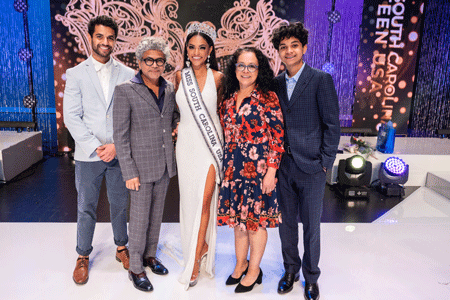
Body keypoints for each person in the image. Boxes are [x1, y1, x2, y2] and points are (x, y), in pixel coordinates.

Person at [63, 15, 135, 285]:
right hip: (88, 156)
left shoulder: (128, 75)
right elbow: (71, 117)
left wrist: (116, 145)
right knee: (86, 207)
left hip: (118, 153)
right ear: (91, 37)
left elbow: (130, 115)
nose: (105, 42)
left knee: (119, 204)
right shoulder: (76, 74)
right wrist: (96, 147)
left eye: (110, 38)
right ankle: (82, 255)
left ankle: (121, 247)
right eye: (100, 37)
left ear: (115, 41)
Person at [271, 22, 340, 300]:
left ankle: (311, 277)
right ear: (279, 51)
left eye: (294, 46)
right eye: (283, 47)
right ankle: (291, 271)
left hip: (312, 166)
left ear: (304, 49)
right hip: (283, 166)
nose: (289, 51)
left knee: (312, 225)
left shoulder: (320, 79)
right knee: (286, 223)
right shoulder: (275, 83)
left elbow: (332, 125)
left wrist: (325, 162)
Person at [113, 37, 178, 292]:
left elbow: (171, 117)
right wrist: (128, 170)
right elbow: (120, 134)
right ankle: (136, 267)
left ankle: (150, 256)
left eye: (159, 60)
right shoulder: (125, 90)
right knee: (139, 219)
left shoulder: (170, 88)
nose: (154, 65)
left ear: (165, 63)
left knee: (156, 216)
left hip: (163, 165)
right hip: (138, 169)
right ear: (140, 62)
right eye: (149, 60)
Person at [217, 47, 284, 293]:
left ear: (260, 69)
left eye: (252, 66)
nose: (246, 71)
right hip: (233, 171)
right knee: (239, 223)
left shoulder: (268, 97)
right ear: (234, 68)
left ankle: (254, 270)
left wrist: (271, 172)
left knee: (256, 223)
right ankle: (240, 264)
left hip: (258, 171)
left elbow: (278, 138)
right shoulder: (227, 97)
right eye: (241, 65)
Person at [174, 21, 224, 289]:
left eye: (201, 48)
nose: (195, 52)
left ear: (210, 50)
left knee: (205, 200)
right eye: (191, 47)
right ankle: (199, 244)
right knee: (190, 201)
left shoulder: (219, 78)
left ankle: (195, 260)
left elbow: (223, 114)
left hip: (211, 145)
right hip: (186, 146)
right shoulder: (180, 77)